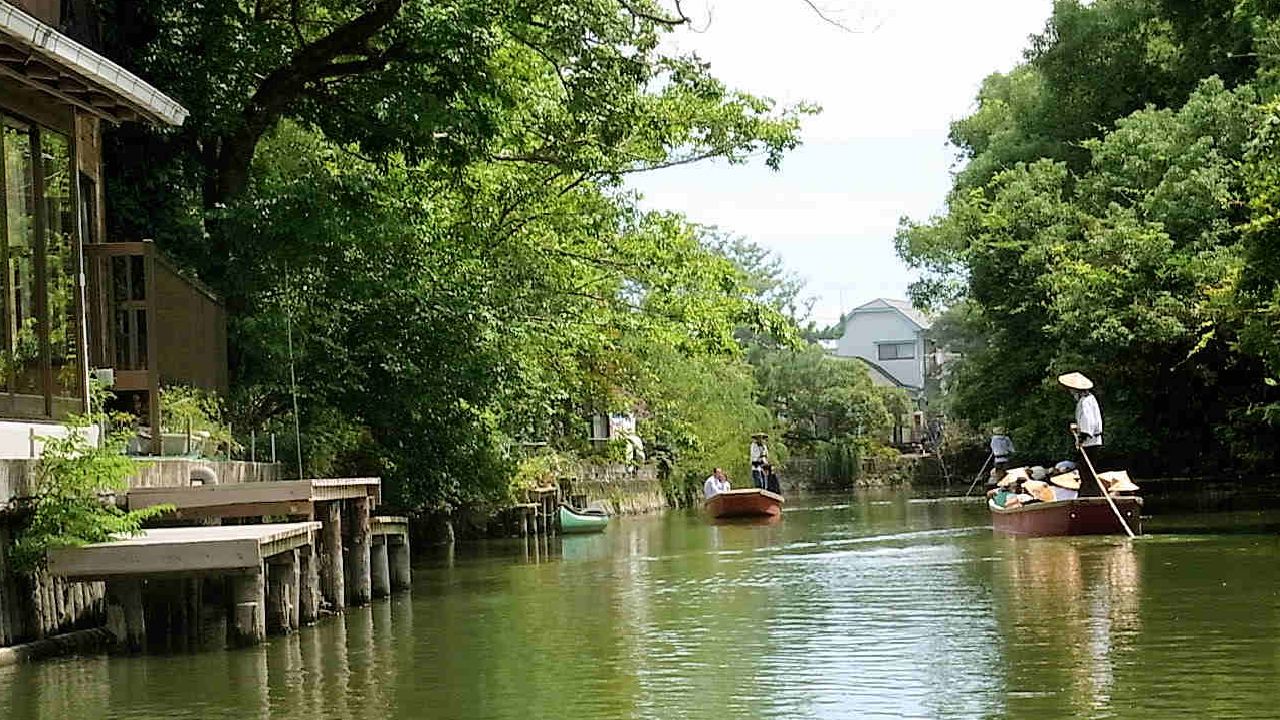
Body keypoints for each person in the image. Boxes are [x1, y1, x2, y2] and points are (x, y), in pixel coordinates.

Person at [1058, 371, 1104, 497]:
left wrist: (1081, 438)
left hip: (1090, 442)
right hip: (1093, 441)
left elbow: (1087, 423)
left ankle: (1088, 495)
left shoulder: (1085, 402)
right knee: (1087, 471)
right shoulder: (1091, 398)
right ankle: (1089, 493)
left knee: (1086, 471)